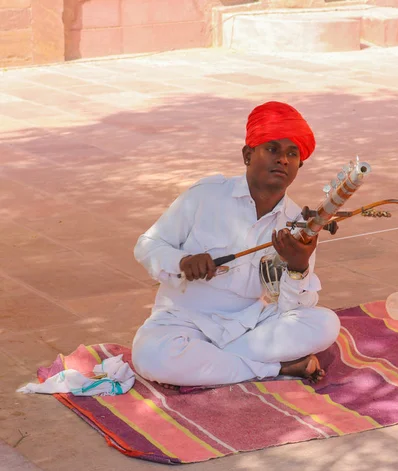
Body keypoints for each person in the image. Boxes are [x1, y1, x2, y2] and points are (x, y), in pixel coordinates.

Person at [131, 101, 341, 388]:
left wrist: (299, 267)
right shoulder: (206, 195)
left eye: (292, 154)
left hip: (251, 327)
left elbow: (291, 308)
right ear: (247, 155)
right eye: (272, 149)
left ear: (298, 166)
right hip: (184, 320)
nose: (283, 160)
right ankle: (276, 369)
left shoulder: (297, 224)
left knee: (325, 324)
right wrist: (182, 262)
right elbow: (148, 245)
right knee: (151, 356)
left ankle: (212, 365)